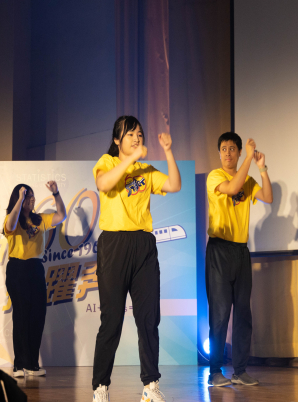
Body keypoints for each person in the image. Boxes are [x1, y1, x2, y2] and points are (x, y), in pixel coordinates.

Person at [91, 116, 182, 402]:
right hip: (114, 244)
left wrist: (168, 151)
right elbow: (104, 183)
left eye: (139, 134)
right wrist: (130, 159)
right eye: (130, 134)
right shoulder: (107, 162)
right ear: (117, 140)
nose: (136, 138)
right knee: (112, 320)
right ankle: (100, 387)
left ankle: (150, 386)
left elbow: (174, 185)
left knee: (148, 319)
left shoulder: (146, 170)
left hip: (143, 245)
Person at [205, 132, 272, 387]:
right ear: (219, 153)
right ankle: (215, 372)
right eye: (224, 149)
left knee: (243, 313)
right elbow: (233, 188)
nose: (228, 153)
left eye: (232, 149)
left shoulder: (248, 179)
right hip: (219, 251)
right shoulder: (215, 176)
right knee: (220, 314)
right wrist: (247, 159)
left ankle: (240, 370)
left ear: (238, 151)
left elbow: (268, 197)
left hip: (241, 252)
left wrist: (262, 168)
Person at [4, 181, 66, 377]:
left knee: (37, 315)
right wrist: (20, 199)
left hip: (36, 268)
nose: (32, 199)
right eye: (27, 196)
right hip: (17, 268)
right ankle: (19, 364)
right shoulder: (12, 218)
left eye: (32, 195)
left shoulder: (40, 219)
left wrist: (56, 193)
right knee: (21, 315)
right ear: (19, 199)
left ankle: (32, 364)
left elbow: (61, 215)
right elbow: (10, 225)